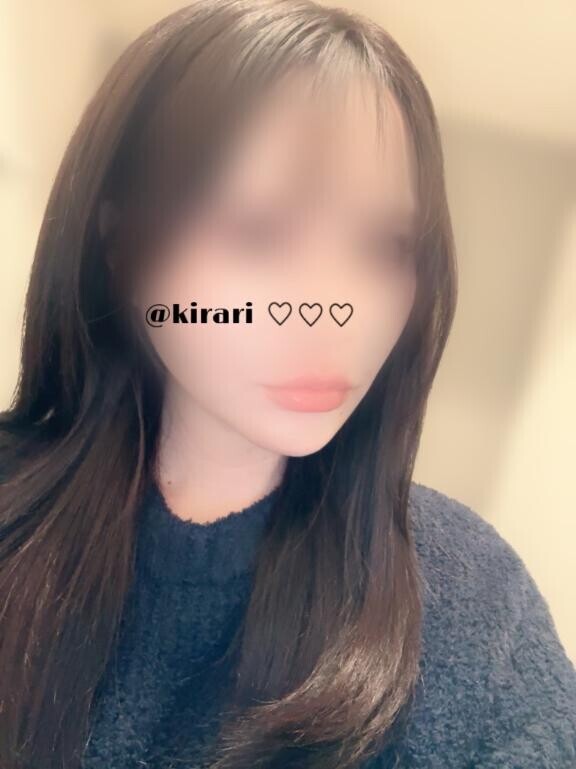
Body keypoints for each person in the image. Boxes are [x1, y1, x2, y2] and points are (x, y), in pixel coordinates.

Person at [0, 1, 574, 768]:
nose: (334, 309)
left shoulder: (473, 596)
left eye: (384, 245)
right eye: (260, 229)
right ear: (121, 245)